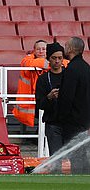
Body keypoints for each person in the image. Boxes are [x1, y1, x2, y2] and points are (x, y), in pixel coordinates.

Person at [58, 37, 90, 174]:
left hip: (73, 119)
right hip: (85, 119)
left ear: (71, 49)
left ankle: (79, 178)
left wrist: (61, 116)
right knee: (82, 153)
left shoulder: (72, 69)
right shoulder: (86, 68)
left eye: (66, 46)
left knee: (76, 155)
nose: (64, 48)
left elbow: (67, 97)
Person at [35, 42, 66, 156]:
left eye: (60, 58)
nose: (57, 61)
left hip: (69, 122)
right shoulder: (43, 79)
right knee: (56, 158)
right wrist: (49, 97)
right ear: (49, 59)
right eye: (54, 58)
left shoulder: (69, 75)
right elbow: (39, 104)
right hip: (53, 122)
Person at [13, 40, 48, 128]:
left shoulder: (56, 59)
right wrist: (46, 63)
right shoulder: (27, 60)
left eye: (43, 49)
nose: (41, 51)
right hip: (30, 99)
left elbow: (66, 63)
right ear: (34, 51)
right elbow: (26, 63)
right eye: (38, 49)